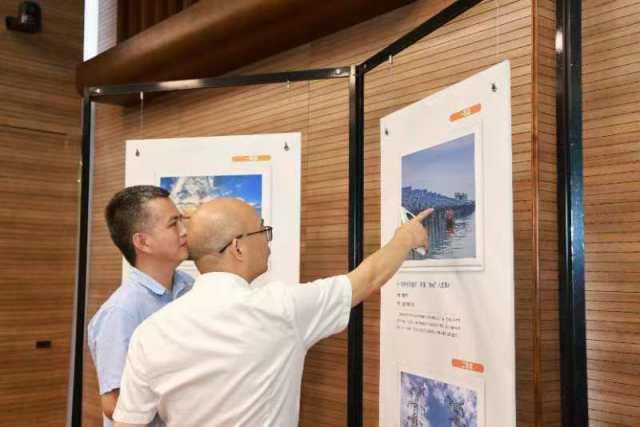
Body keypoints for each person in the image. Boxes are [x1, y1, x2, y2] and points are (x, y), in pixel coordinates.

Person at [112, 198, 432, 427]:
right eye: (262, 231)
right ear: (237, 247)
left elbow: (128, 423)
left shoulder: (150, 333)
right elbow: (368, 279)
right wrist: (405, 238)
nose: (267, 241)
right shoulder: (281, 309)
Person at [88, 185, 195, 426]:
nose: (184, 231)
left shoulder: (189, 287)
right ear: (143, 242)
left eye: (182, 221)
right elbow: (113, 404)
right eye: (173, 224)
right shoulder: (121, 312)